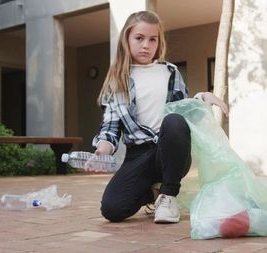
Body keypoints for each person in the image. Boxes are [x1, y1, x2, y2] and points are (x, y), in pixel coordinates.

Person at [92, 10, 228, 223]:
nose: (146, 45)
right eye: (139, 38)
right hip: (137, 155)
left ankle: (169, 194)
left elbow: (183, 110)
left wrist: (201, 98)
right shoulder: (117, 80)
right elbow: (110, 126)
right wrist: (102, 149)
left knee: (173, 121)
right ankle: (155, 192)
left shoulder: (170, 72)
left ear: (158, 42)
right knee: (112, 209)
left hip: (170, 151)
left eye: (152, 39)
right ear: (126, 39)